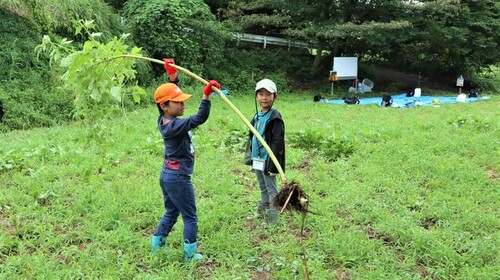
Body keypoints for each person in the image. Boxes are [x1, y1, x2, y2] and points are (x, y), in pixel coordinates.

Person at [151, 58, 220, 262]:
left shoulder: (164, 119)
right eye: (179, 103)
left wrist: (172, 77)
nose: (183, 105)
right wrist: (206, 97)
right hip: (179, 178)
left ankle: (157, 245)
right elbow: (199, 118)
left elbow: (169, 95)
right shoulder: (174, 127)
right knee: (190, 216)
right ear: (164, 106)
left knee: (172, 211)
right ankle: (190, 256)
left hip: (168, 176)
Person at [245, 79, 285, 224]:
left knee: (271, 189)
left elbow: (277, 142)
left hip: (268, 160)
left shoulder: (275, 117)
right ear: (256, 97)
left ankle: (272, 219)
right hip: (257, 159)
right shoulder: (256, 116)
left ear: (275, 96)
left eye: (268, 94)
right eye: (260, 94)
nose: (264, 97)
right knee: (262, 187)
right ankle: (262, 213)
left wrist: (273, 164)